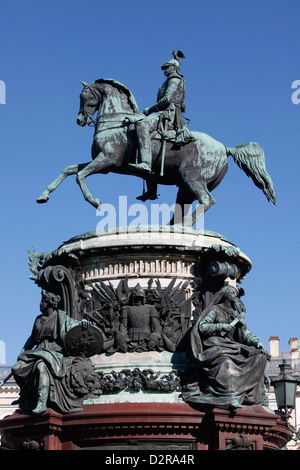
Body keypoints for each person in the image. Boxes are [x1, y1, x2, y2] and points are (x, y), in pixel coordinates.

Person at [12, 290, 99, 414]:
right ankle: (27, 397)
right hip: (38, 351)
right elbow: (32, 338)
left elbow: (74, 326)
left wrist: (83, 323)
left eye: (43, 301)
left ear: (50, 303)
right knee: (16, 368)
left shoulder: (60, 316)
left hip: (54, 353)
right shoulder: (38, 319)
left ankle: (41, 402)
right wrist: (22, 351)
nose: (41, 303)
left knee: (41, 366)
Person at [184, 285, 270, 410]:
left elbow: (246, 333)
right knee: (226, 362)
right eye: (232, 293)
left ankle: (248, 396)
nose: (235, 295)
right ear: (225, 295)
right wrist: (221, 327)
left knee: (259, 356)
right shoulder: (215, 309)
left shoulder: (236, 315)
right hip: (216, 344)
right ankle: (229, 397)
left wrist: (257, 343)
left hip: (232, 346)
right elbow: (202, 326)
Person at [128, 51, 195, 200]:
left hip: (168, 114)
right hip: (164, 113)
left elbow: (166, 99)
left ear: (174, 68)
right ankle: (151, 190)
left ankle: (145, 163)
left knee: (142, 125)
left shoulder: (175, 80)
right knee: (149, 143)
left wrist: (147, 110)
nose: (165, 71)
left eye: (167, 68)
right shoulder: (169, 80)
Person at [116, 284, 162, 352]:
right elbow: (123, 326)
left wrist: (156, 333)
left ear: (143, 298)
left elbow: (155, 324)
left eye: (140, 298)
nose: (138, 300)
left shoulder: (150, 308)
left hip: (147, 338)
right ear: (132, 299)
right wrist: (122, 336)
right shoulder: (126, 309)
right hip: (130, 338)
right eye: (136, 298)